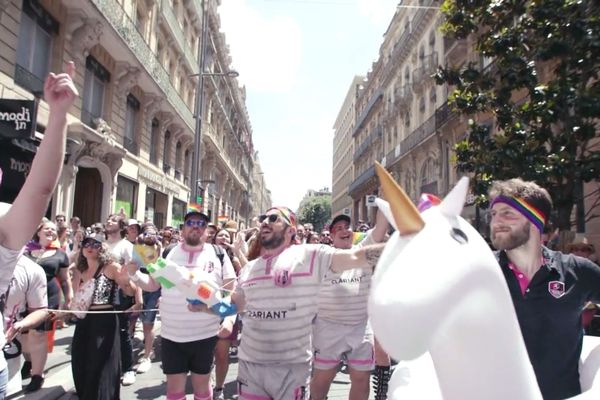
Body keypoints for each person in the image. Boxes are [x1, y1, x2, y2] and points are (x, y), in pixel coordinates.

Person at [202, 206, 385, 400]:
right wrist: (207, 306)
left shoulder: (310, 256)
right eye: (264, 218)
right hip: (250, 368)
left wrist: (400, 247)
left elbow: (356, 257)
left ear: (291, 230)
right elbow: (233, 305)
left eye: (273, 218)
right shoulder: (249, 269)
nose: (265, 221)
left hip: (291, 370)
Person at [488, 178, 600, 400]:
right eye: (493, 214)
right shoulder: (480, 271)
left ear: (535, 220)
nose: (496, 221)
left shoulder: (576, 271)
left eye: (507, 213)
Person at [127, 211, 237, 400]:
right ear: (183, 228)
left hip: (205, 334)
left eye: (201, 224)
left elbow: (231, 291)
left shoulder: (218, 254)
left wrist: (229, 319)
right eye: (191, 222)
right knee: (174, 391)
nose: (196, 226)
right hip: (172, 335)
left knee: (202, 389)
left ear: (207, 230)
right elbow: (154, 284)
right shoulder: (169, 252)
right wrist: (134, 274)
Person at [311, 211, 388, 400]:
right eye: (339, 228)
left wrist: (384, 198)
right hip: (328, 327)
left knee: (361, 379)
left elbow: (381, 227)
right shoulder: (322, 256)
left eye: (347, 227)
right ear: (331, 235)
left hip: (360, 327)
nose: (344, 231)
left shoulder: (364, 249)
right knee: (322, 378)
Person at [71, 235, 135, 400]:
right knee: (80, 358)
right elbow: (75, 296)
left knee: (100, 362)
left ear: (102, 248)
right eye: (86, 244)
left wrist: (126, 281)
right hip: (85, 320)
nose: (89, 247)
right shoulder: (81, 269)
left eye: (95, 244)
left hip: (104, 319)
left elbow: (130, 292)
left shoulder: (111, 267)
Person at [21, 221, 72, 391]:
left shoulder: (60, 254)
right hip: (23, 296)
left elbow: (65, 280)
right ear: (38, 231)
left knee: (39, 334)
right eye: (47, 228)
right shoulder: (25, 250)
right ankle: (29, 362)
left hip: (47, 296)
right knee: (23, 335)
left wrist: (68, 299)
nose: (51, 230)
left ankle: (37, 375)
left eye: (53, 229)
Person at [212, 228, 242, 399]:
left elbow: (239, 281)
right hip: (204, 311)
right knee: (206, 353)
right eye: (220, 235)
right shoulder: (207, 254)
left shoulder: (233, 258)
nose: (223, 237)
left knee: (222, 353)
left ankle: (219, 388)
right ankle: (207, 384)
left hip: (226, 307)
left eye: (226, 236)